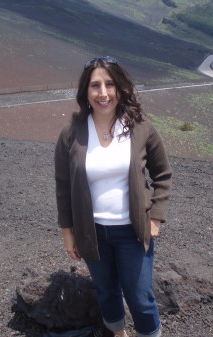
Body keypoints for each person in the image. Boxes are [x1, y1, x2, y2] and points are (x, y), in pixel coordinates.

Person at [54, 56, 172, 337]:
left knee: (140, 297)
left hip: (133, 231)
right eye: (95, 86)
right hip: (91, 232)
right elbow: (63, 185)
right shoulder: (71, 132)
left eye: (109, 84)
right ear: (86, 91)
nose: (103, 93)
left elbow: (163, 174)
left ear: (120, 88)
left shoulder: (141, 127)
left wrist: (155, 218)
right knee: (107, 292)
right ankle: (118, 335)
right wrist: (68, 233)